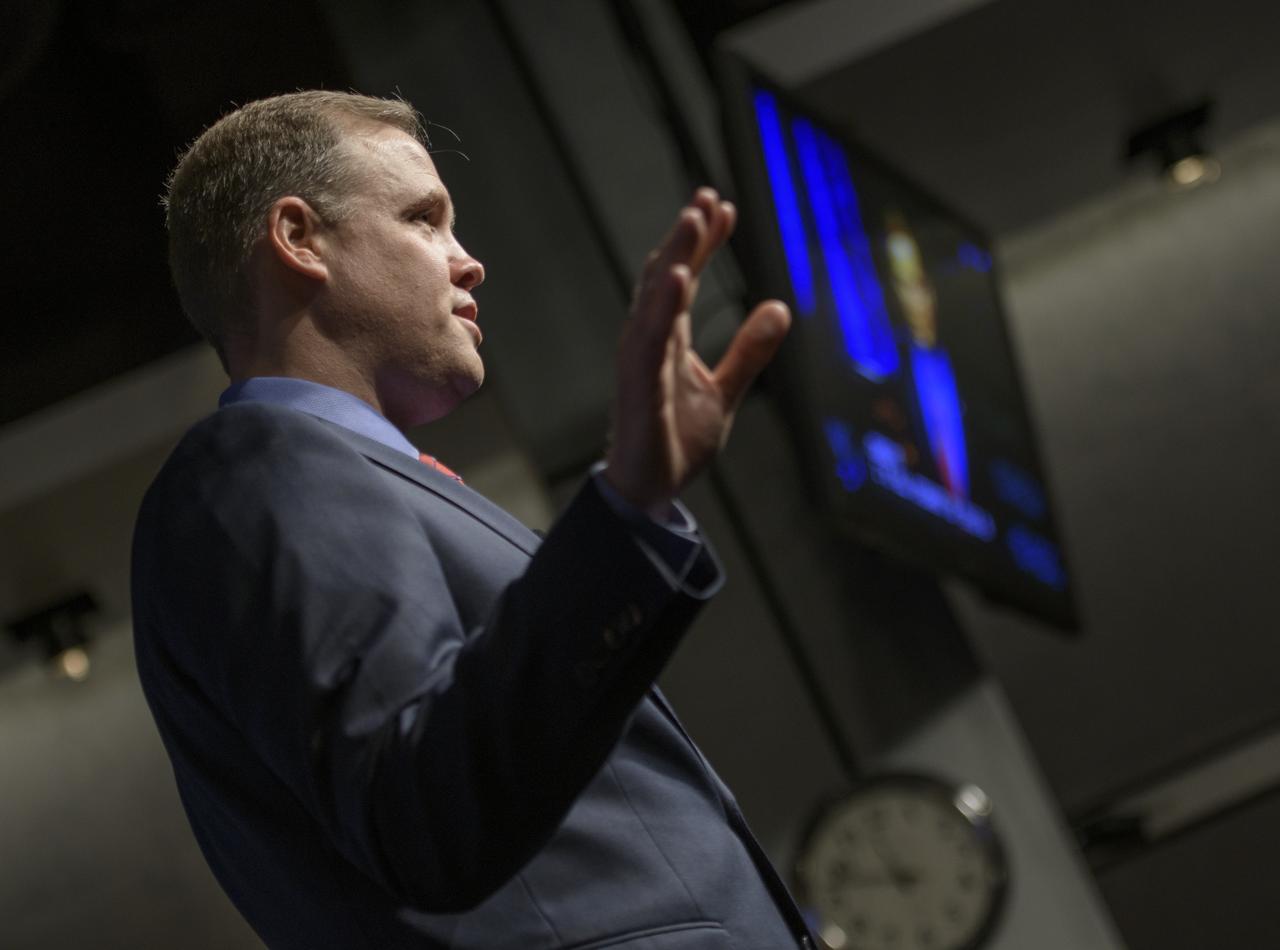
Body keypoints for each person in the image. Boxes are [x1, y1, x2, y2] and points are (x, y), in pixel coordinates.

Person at [131, 90, 812, 949]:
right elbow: (425, 815)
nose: (469, 262)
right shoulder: (261, 465)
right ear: (299, 239)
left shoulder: (349, 478)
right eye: (425, 219)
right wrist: (626, 508)